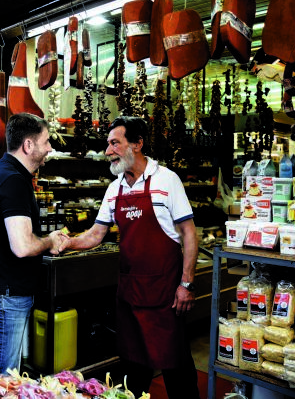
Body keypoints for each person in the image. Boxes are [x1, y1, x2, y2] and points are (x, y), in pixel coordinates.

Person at [59, 116, 200, 398]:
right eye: (107, 144)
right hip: (131, 294)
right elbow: (95, 235)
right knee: (133, 367)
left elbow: (188, 233)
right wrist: (67, 243)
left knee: (175, 365)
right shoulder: (115, 189)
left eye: (114, 143)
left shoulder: (166, 180)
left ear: (137, 144)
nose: (107, 151)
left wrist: (186, 284)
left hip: (164, 294)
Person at [0, 113, 66, 386]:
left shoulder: (8, 173)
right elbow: (23, 246)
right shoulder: (13, 180)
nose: (50, 148)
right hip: (3, 296)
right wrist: (50, 240)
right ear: (27, 145)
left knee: (2, 378)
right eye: (46, 142)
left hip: (2, 293)